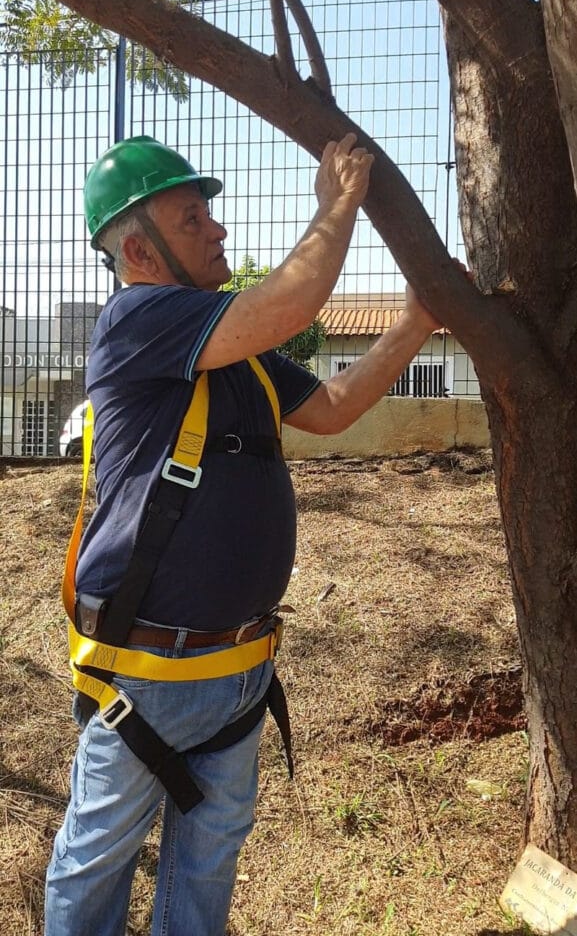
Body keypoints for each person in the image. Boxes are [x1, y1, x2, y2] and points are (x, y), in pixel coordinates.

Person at [45, 132, 440, 936]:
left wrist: (410, 327)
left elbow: (329, 411)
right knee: (97, 861)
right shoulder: (136, 319)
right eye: (193, 219)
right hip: (147, 674)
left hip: (238, 668)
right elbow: (292, 306)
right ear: (137, 251)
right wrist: (337, 206)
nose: (219, 230)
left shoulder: (242, 354)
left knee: (209, 852)